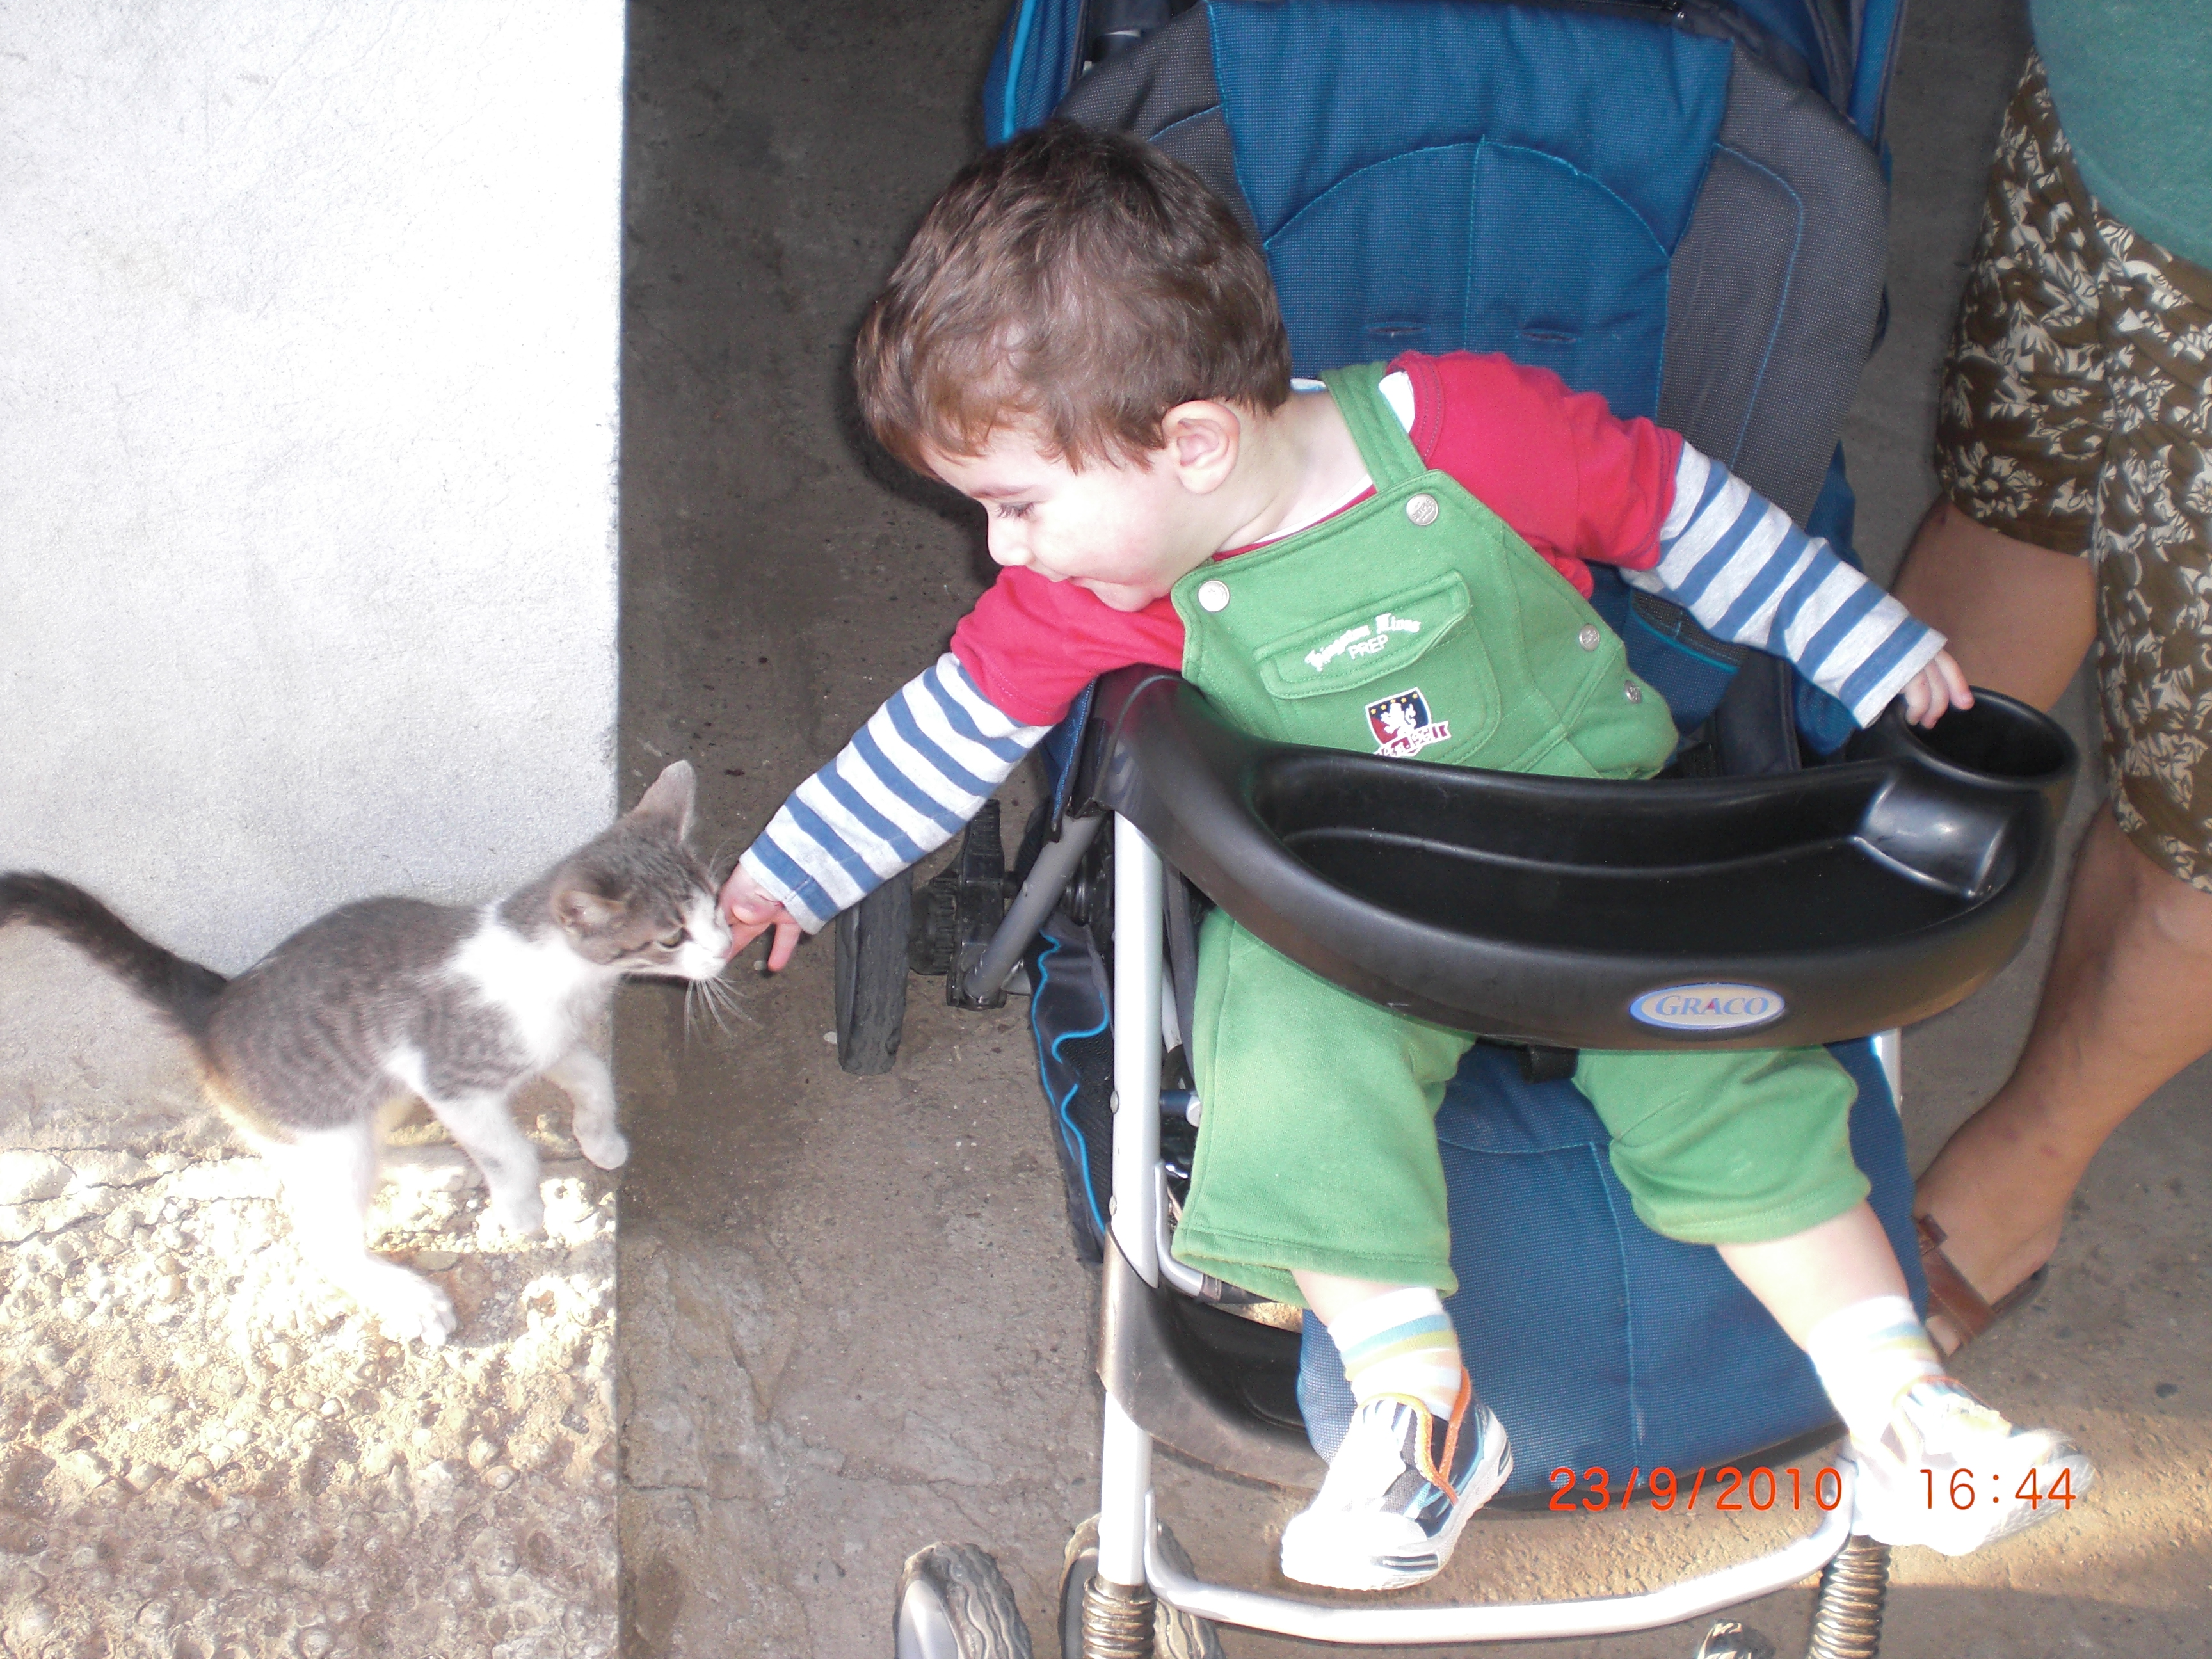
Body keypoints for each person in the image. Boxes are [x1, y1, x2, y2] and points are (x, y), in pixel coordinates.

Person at [719, 122, 2091, 1590]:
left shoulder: (1470, 434)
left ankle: (1905, 1410)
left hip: (1596, 856)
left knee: (1736, 1069)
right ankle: (1420, 1411)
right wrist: (793, 870)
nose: (1003, 552)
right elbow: (944, 731)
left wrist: (1858, 641)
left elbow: (1678, 513)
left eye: (1017, 504)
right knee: (1280, 1062)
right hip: (1343, 912)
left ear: (1193, 445)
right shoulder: (1109, 584)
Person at [1887, 28, 2212, 1357]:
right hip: (2122, 78)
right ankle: (1831, 1007)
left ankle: (2017, 1183)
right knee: (2017, 505)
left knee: (2195, 817)